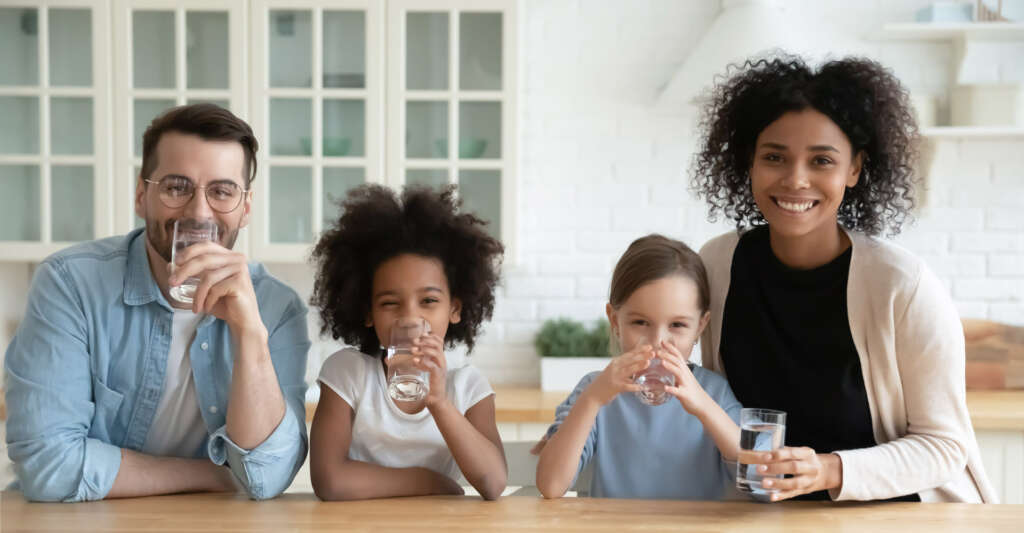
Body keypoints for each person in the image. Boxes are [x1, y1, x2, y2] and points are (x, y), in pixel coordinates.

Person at [691, 54, 996, 502]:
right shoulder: (717, 263)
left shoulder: (901, 285)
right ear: (749, 164)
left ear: (854, 169)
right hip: (763, 513)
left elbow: (945, 446)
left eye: (821, 161)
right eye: (775, 157)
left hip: (899, 516)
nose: (796, 180)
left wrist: (829, 470)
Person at [4, 104, 310, 502]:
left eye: (221, 191)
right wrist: (212, 475)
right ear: (141, 195)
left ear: (245, 207)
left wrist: (249, 332)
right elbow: (48, 467)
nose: (199, 213)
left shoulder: (275, 307)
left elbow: (267, 476)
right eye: (177, 187)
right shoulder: (70, 284)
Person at [308, 184, 507, 501]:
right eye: (389, 303)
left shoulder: (469, 388)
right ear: (368, 312)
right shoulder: (348, 374)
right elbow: (330, 481)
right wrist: (432, 482)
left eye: (428, 300)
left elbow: (493, 483)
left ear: (454, 308)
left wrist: (440, 403)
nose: (409, 318)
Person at [535, 234, 743, 500]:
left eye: (677, 325)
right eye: (640, 323)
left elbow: (759, 479)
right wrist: (592, 400)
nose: (657, 342)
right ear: (614, 320)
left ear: (700, 326)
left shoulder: (714, 392)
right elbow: (551, 486)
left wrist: (703, 406)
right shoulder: (594, 390)